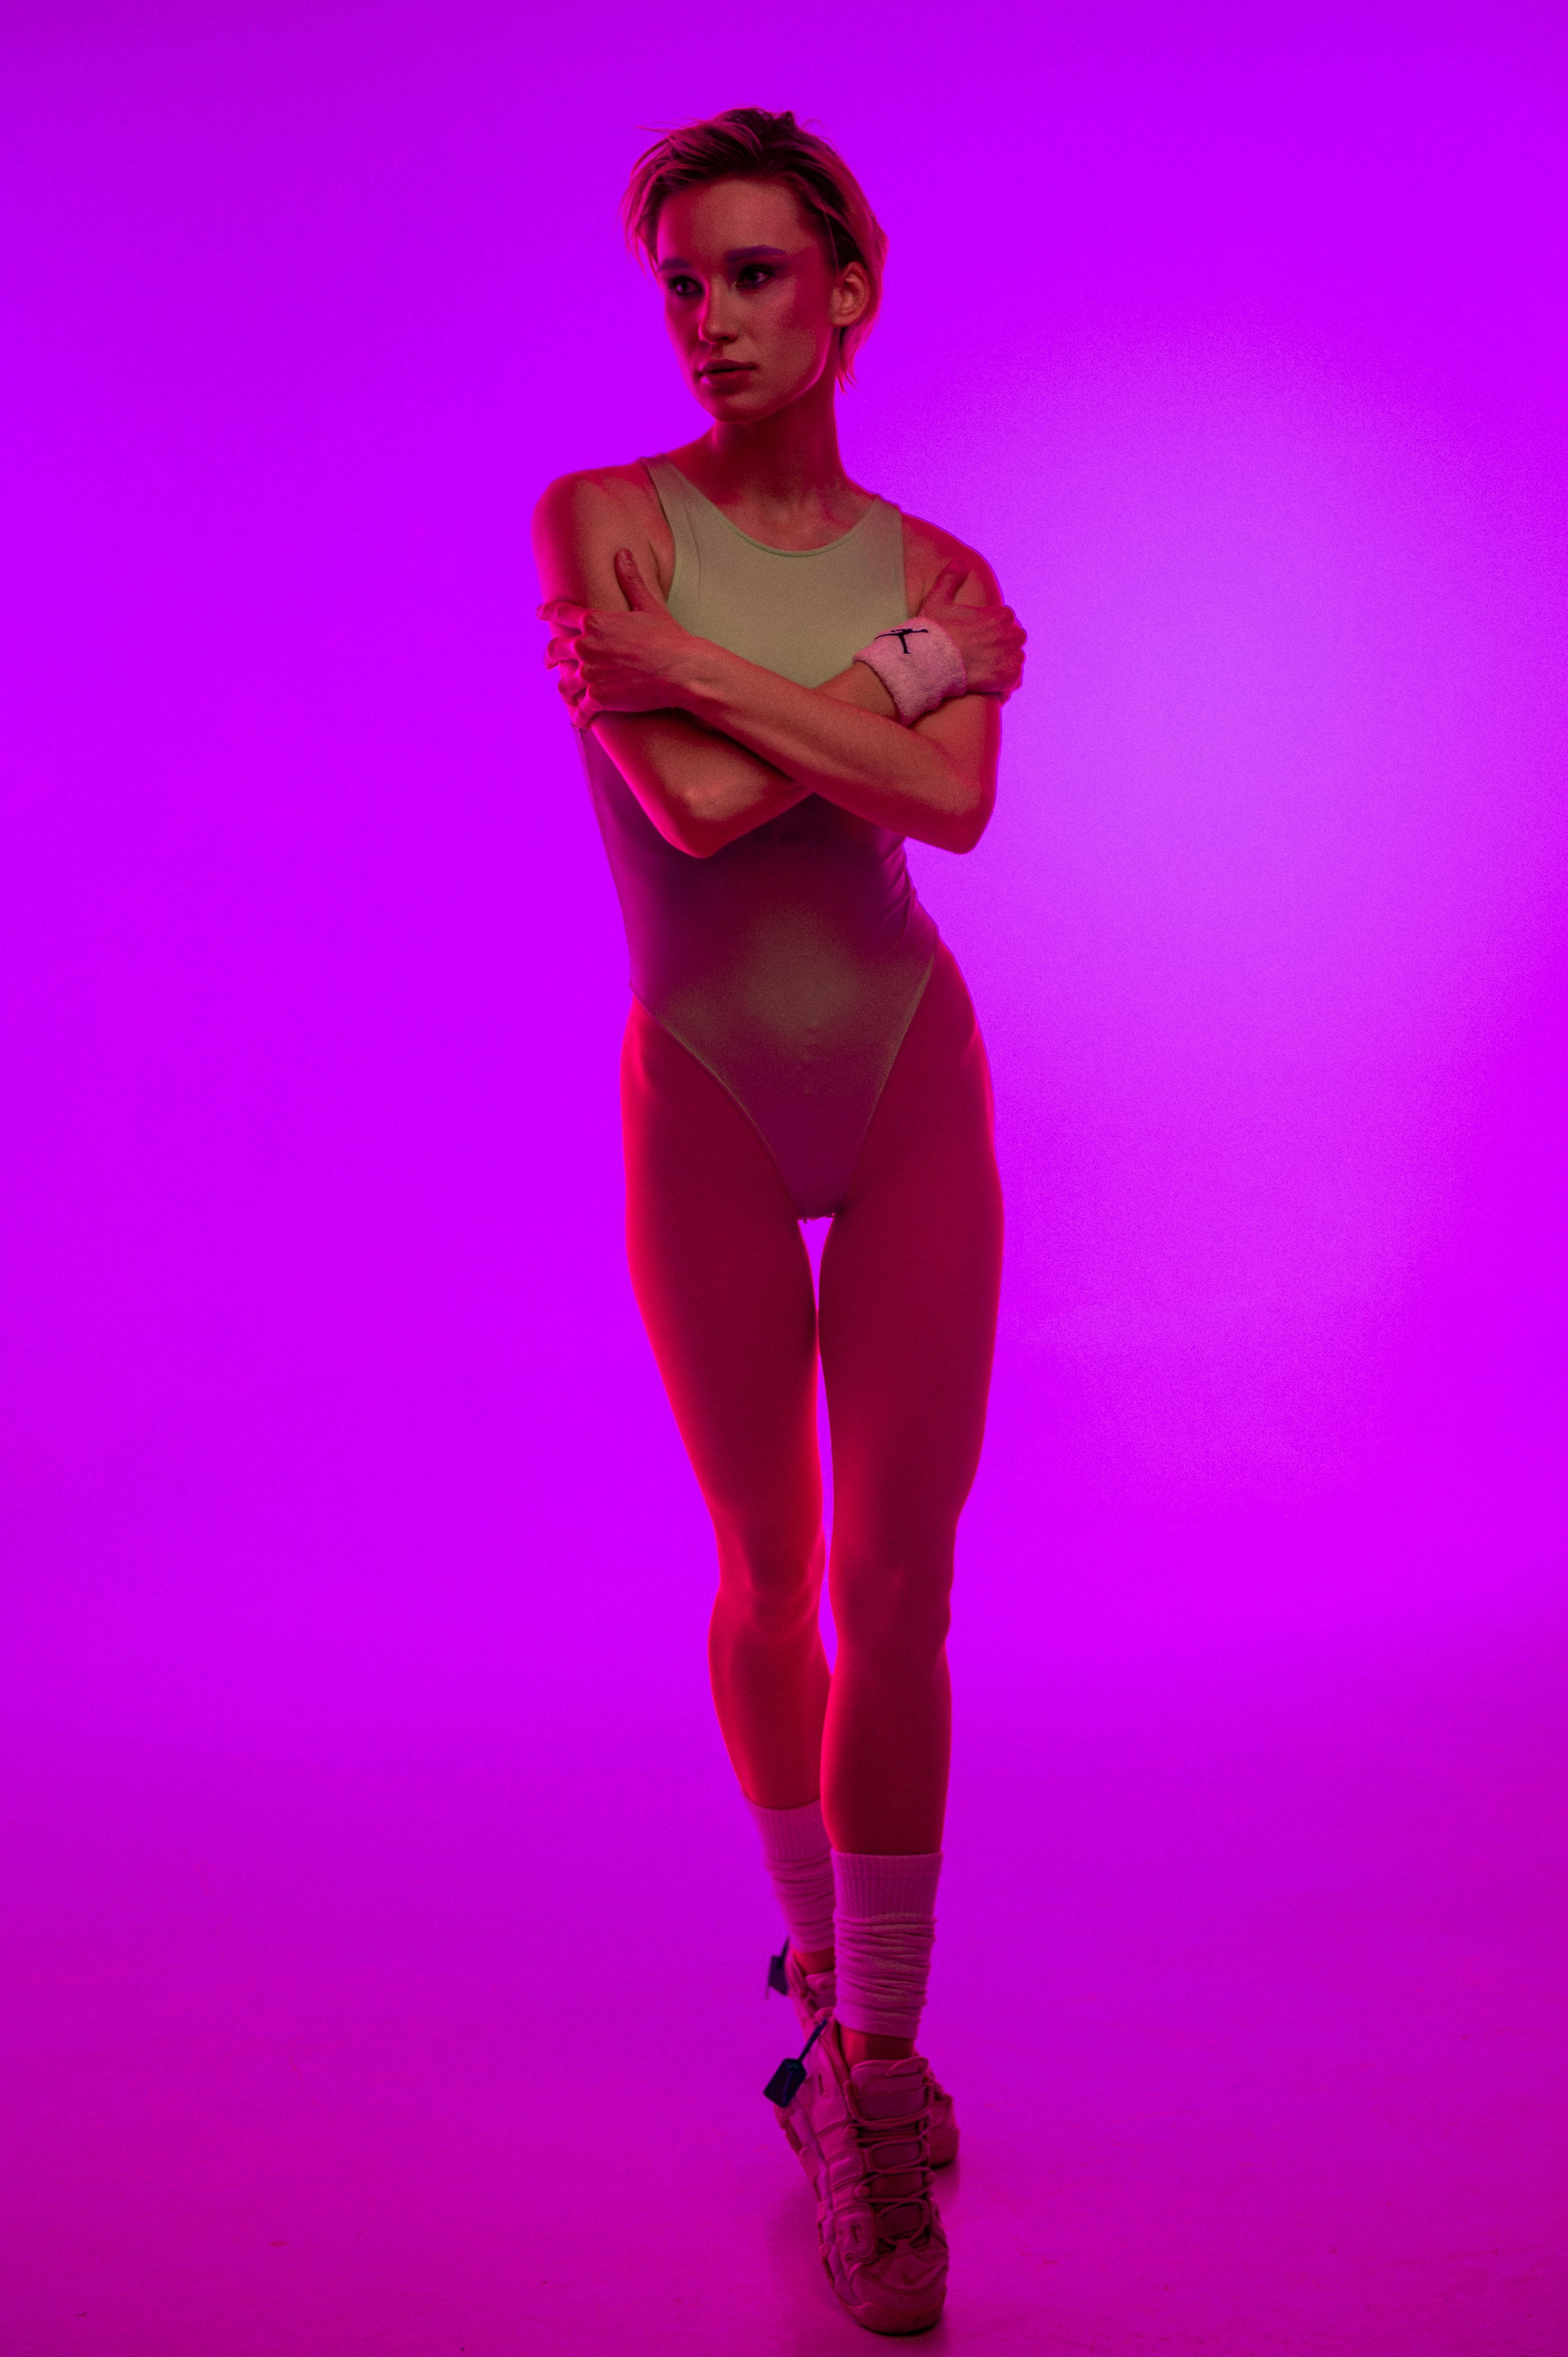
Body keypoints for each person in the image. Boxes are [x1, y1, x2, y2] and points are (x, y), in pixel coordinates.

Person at [532, 108, 1022, 2337]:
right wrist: (916, 671)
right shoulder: (601, 516)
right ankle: (820, 2006)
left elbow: (955, 813)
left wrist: (718, 673)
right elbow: (701, 813)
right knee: (767, 1572)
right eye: (682, 282)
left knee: (901, 1586)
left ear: (849, 291)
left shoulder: (936, 552)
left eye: (752, 275)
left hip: (908, 1080)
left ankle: (884, 2075)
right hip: (707, 1100)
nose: (712, 320)